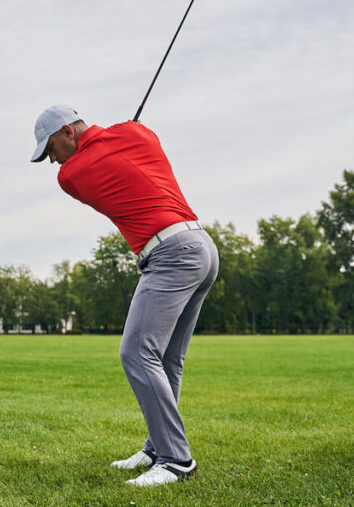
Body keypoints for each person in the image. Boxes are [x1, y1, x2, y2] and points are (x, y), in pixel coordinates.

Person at [30, 105, 219, 487]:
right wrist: (124, 131)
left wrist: (112, 136)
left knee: (137, 352)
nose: (52, 161)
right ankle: (156, 447)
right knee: (166, 360)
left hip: (170, 255)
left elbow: (87, 160)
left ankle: (175, 460)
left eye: (51, 149)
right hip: (201, 247)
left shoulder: (72, 175)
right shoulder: (138, 134)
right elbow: (132, 137)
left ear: (67, 132)